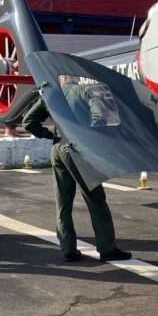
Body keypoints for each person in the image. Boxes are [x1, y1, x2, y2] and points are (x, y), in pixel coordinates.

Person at [22, 75, 132, 262]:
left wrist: (50, 136)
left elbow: (28, 121)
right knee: (96, 200)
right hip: (78, 149)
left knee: (63, 203)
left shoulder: (51, 93)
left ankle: (68, 249)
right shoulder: (86, 90)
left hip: (57, 148)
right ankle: (107, 248)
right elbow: (101, 118)